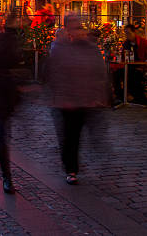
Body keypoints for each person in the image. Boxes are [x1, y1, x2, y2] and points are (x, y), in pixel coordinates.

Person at [44, 14, 111, 185]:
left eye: (79, 26)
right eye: (73, 26)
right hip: (68, 102)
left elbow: (100, 71)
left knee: (91, 132)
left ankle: (97, 155)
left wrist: (101, 94)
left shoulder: (90, 48)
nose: (77, 30)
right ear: (67, 29)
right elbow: (52, 73)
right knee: (70, 136)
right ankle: (71, 169)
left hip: (87, 99)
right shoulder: (60, 48)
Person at [0, 11, 22, 194]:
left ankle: (6, 175)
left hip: (7, 95)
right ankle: (6, 176)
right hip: (5, 95)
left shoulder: (5, 39)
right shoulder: (9, 41)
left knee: (4, 135)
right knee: (4, 136)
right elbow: (0, 68)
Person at [112, 24, 147, 105]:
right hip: (129, 67)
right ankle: (121, 96)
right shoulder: (126, 43)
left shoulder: (143, 43)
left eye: (128, 33)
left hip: (141, 68)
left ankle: (140, 98)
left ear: (134, 32)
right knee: (116, 74)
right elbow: (124, 57)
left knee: (131, 76)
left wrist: (144, 67)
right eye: (125, 33)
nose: (127, 35)